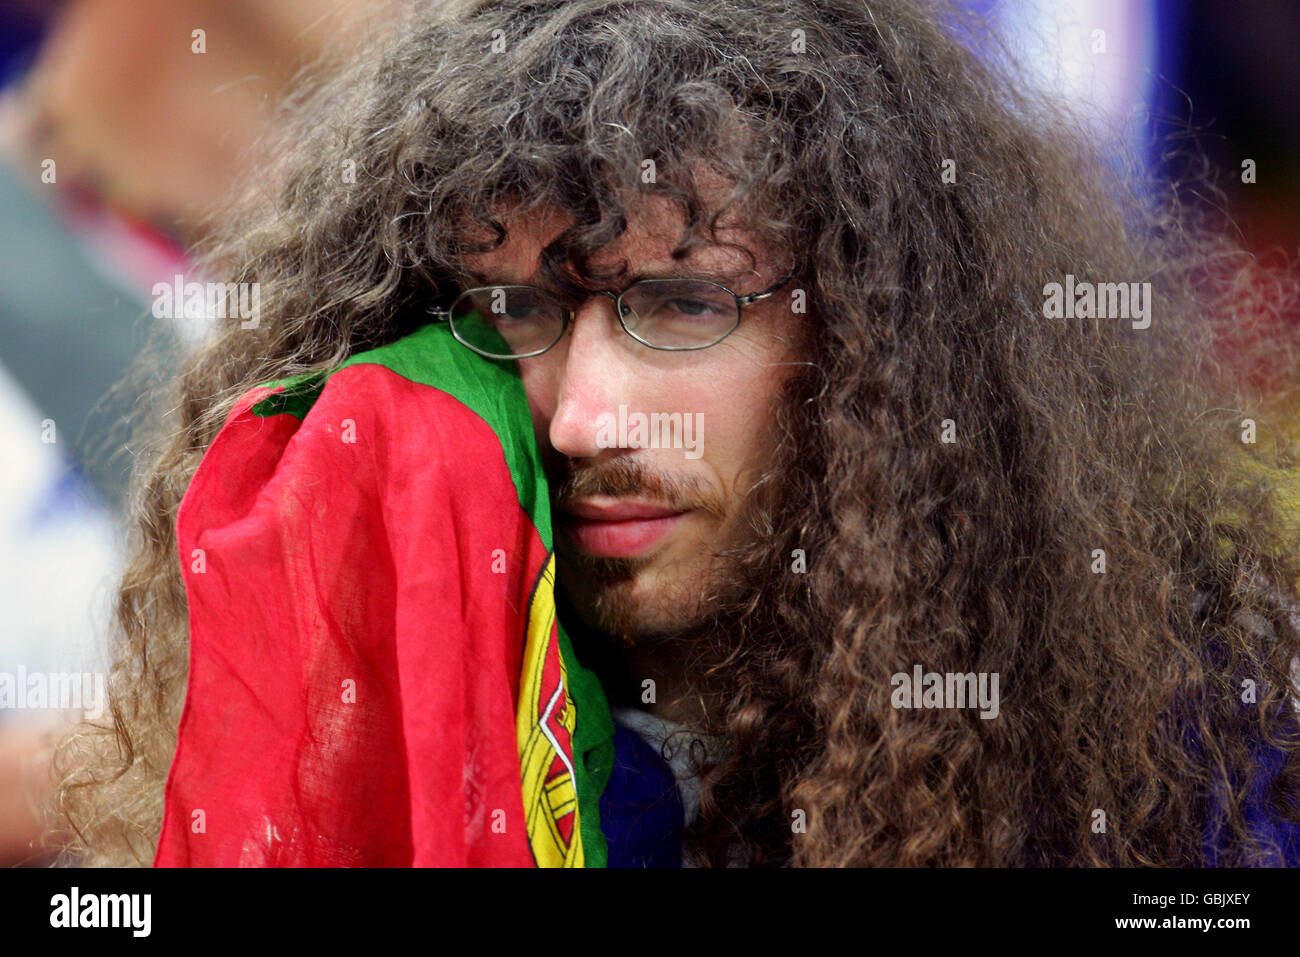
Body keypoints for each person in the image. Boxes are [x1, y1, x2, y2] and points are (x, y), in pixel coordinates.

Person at [54, 0, 1300, 867]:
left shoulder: (1190, 766)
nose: (585, 419)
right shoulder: (396, 727)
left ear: (881, 334)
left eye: (683, 304)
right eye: (515, 308)